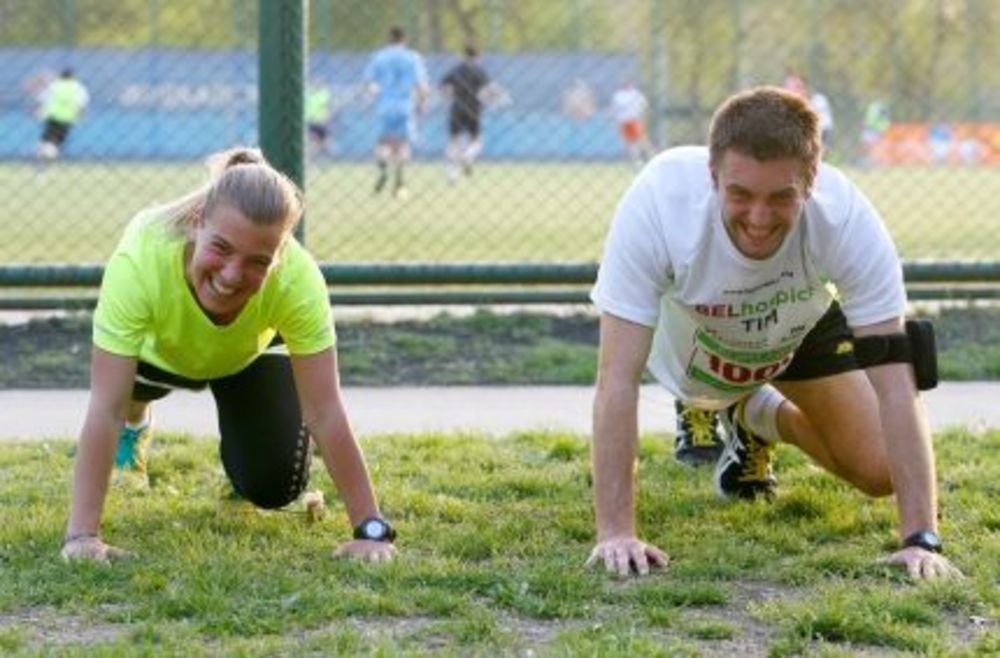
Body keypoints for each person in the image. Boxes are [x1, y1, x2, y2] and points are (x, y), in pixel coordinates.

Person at [586, 86, 962, 581]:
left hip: (795, 323)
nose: (759, 219)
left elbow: (896, 382)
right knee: (703, 385)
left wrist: (921, 538)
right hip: (694, 331)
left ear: (811, 181)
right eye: (740, 194)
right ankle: (716, 403)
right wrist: (616, 532)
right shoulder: (659, 198)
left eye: (780, 197)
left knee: (880, 471)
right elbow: (616, 379)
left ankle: (756, 415)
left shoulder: (846, 215)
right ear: (712, 175)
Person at [61, 147, 397, 564]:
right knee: (123, 396)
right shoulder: (143, 255)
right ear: (198, 222)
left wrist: (371, 529)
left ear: (279, 254)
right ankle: (138, 424)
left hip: (245, 356)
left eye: (258, 261)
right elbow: (104, 406)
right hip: (159, 353)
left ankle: (241, 468)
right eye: (221, 247)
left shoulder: (298, 279)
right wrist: (81, 537)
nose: (232, 274)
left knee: (275, 485)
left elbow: (325, 410)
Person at [362, 26, 430, 200]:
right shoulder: (413, 57)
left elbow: (369, 85)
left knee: (382, 143)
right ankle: (399, 181)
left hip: (384, 105)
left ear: (388, 39)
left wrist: (372, 97)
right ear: (404, 40)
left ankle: (383, 167)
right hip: (405, 105)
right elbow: (421, 86)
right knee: (403, 145)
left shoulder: (379, 57)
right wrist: (422, 104)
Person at [440, 44, 494, 184]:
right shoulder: (479, 71)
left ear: (463, 54)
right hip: (473, 107)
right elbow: (488, 91)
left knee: (454, 142)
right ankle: (468, 155)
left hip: (457, 107)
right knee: (476, 140)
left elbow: (444, 87)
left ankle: (451, 174)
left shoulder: (455, 70)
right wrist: (486, 102)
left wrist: (449, 97)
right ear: (478, 56)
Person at [35, 68, 89, 167]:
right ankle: (50, 155)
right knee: (56, 143)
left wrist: (39, 112)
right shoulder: (77, 87)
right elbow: (82, 104)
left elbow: (42, 99)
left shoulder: (54, 85)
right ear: (73, 77)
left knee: (45, 140)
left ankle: (44, 157)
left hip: (52, 117)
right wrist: (81, 116)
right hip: (67, 119)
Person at [609, 79, 656, 169]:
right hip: (624, 122)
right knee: (630, 144)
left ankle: (652, 157)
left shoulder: (635, 94)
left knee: (642, 141)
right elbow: (614, 110)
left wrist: (641, 116)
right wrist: (615, 121)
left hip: (634, 120)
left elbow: (644, 105)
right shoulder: (618, 95)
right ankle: (637, 162)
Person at [305, 83, 334, 160]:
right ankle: (312, 157)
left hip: (321, 122)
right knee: (313, 141)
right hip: (312, 121)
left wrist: (328, 116)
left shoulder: (324, 94)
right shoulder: (309, 94)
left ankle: (326, 157)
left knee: (324, 142)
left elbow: (329, 107)